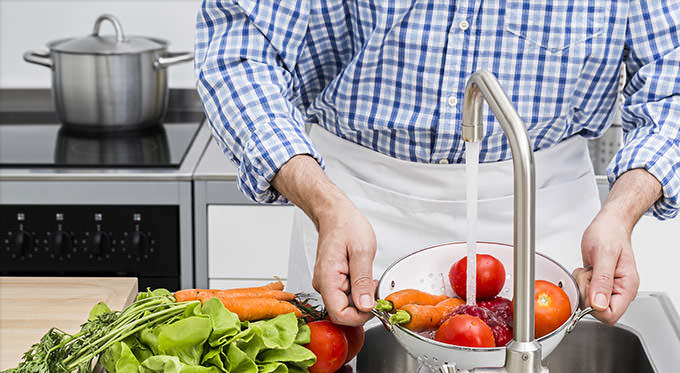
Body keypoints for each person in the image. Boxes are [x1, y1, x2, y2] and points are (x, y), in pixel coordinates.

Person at [195, 1, 678, 327]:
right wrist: (321, 202)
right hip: (350, 211)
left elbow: (671, 77)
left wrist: (623, 209)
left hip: (546, 226)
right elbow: (239, 49)